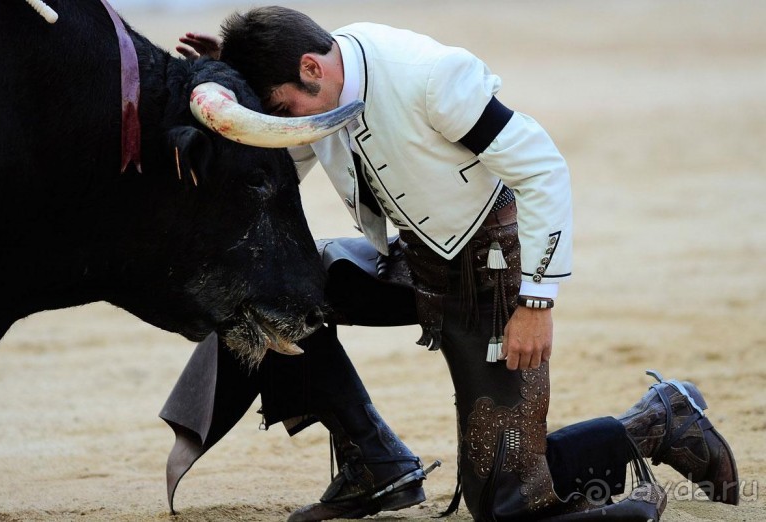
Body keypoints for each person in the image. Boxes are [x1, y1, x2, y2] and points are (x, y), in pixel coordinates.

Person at [170, 7, 739, 520]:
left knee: (504, 500)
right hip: (416, 263)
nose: (286, 120)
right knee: (271, 296)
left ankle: (660, 422)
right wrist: (234, 92)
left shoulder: (431, 78)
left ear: (312, 69)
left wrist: (536, 301)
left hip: (493, 283)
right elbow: (279, 164)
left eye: (282, 106)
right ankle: (375, 465)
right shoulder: (322, 80)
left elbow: (542, 169)